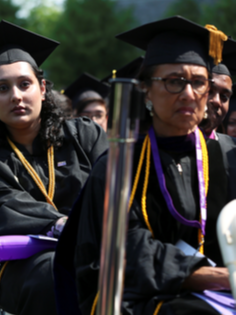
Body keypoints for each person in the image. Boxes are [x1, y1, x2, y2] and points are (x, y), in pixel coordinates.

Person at [56, 16, 236, 315]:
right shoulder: (120, 164)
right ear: (146, 91)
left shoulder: (227, 155)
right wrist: (219, 278)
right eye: (174, 81)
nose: (189, 94)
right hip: (134, 295)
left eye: (199, 82)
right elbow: (129, 250)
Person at [0, 21, 109, 315]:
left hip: (95, 246)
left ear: (41, 88)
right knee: (53, 273)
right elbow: (6, 209)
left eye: (24, 84)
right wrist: (62, 225)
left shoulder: (85, 135)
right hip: (26, 263)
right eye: (2, 88)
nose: (16, 96)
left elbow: (111, 192)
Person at [200, 59, 234, 138]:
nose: (217, 101)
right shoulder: (169, 144)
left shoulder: (231, 149)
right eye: (209, 91)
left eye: (224, 96)